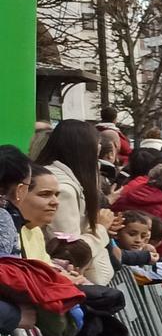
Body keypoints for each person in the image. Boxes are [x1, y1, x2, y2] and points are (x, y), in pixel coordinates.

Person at [33, 118, 113, 284]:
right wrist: (101, 228)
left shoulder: (53, 175)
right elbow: (69, 250)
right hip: (70, 280)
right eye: (95, 153)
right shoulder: (64, 190)